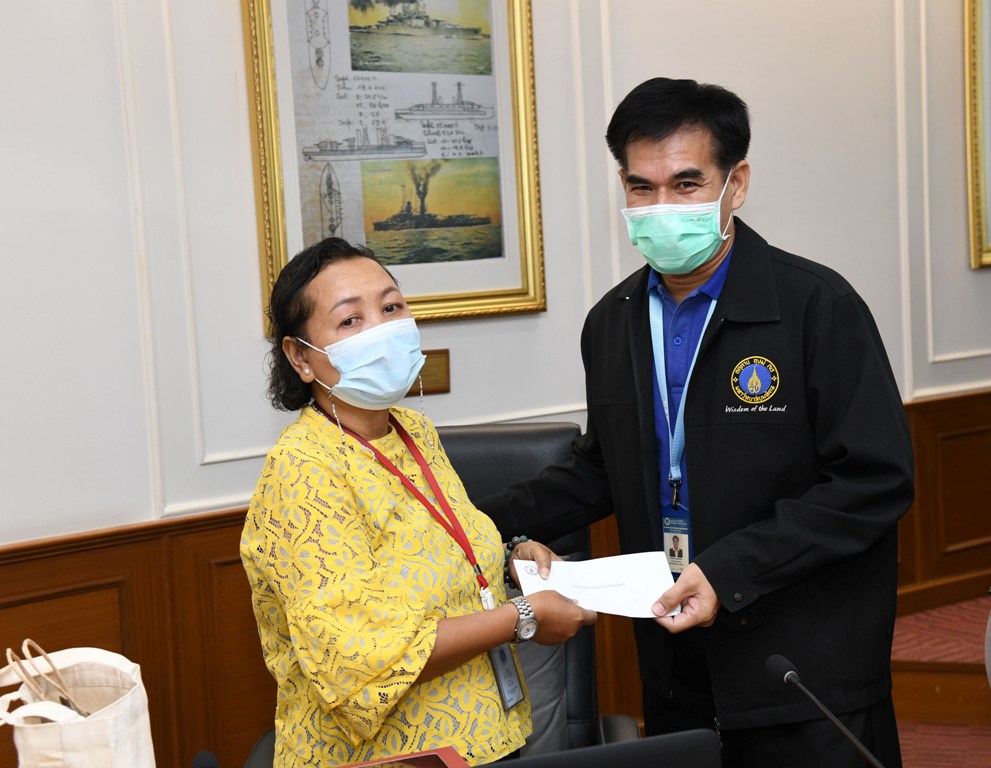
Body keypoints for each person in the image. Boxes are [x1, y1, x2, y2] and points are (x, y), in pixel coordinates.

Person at [477, 78, 914, 767]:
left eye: (685, 184)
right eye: (641, 187)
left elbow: (874, 480)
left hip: (802, 663)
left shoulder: (816, 307)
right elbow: (606, 467)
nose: (661, 208)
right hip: (675, 649)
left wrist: (731, 568)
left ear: (734, 184)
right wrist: (471, 522)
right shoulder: (611, 322)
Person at [241, 237, 596, 767]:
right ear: (300, 356)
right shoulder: (303, 471)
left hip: (482, 740)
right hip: (388, 757)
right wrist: (523, 616)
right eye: (350, 320)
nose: (381, 330)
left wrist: (510, 558)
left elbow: (428, 557)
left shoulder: (412, 431)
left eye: (391, 308)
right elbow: (361, 659)